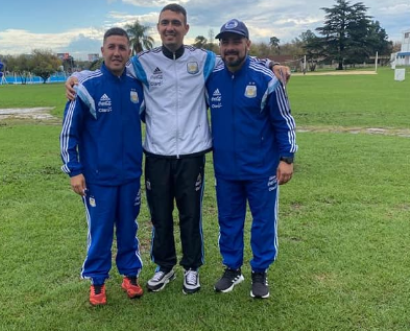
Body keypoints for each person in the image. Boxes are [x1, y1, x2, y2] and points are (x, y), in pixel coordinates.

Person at [65, 3, 291, 295]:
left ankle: (192, 268)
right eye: (164, 23)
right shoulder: (142, 62)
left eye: (176, 23)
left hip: (192, 153)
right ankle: (164, 266)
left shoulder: (205, 59)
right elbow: (111, 66)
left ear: (186, 28)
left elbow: (236, 56)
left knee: (190, 214)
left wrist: (272, 63)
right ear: (158, 28)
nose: (170, 27)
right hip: (157, 154)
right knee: (159, 215)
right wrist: (79, 76)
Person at [207, 19, 297, 299]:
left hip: (261, 168)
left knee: (262, 221)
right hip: (226, 169)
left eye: (236, 41)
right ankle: (232, 268)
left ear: (247, 44)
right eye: (225, 42)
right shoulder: (211, 75)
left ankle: (260, 271)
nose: (230, 47)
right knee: (229, 220)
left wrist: (287, 158)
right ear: (220, 46)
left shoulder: (267, 77)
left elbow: (284, 120)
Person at [60, 27, 145, 306]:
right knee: (101, 230)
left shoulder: (136, 86)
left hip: (130, 174)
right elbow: (68, 133)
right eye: (112, 47)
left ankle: (130, 276)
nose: (117, 53)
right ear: (103, 51)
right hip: (98, 178)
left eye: (122, 48)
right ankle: (97, 281)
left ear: (129, 53)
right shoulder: (86, 87)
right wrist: (74, 170)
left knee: (128, 228)